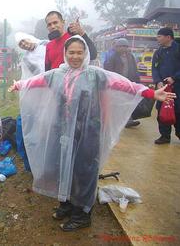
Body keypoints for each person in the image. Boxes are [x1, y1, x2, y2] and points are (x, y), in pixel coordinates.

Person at [9, 35, 175, 231]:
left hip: (89, 132)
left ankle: (82, 214)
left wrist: (150, 93)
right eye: (71, 52)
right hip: (63, 131)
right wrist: (19, 85)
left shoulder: (95, 75)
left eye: (80, 52)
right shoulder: (58, 74)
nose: (75, 56)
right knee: (64, 167)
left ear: (85, 53)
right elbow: (37, 81)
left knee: (84, 171)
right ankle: (67, 203)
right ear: (65, 53)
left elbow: (123, 84)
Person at [18, 11, 97, 71]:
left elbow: (93, 55)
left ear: (63, 22)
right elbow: (48, 70)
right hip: (56, 89)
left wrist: (82, 34)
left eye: (55, 22)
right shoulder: (49, 45)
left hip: (73, 87)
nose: (52, 26)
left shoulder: (73, 39)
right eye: (49, 24)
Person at [104, 38, 141, 127]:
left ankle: (128, 120)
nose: (123, 48)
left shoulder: (130, 56)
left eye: (125, 46)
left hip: (129, 83)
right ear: (116, 47)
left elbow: (134, 69)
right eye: (120, 46)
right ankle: (119, 120)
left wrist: (137, 81)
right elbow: (108, 71)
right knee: (117, 103)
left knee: (127, 102)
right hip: (117, 84)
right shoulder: (112, 57)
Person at [151, 27, 180, 144]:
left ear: (168, 37)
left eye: (159, 36)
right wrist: (158, 81)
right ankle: (164, 136)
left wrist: (174, 78)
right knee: (161, 110)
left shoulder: (178, 50)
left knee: (178, 110)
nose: (157, 38)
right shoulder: (158, 52)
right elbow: (154, 68)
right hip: (162, 87)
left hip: (177, 87)